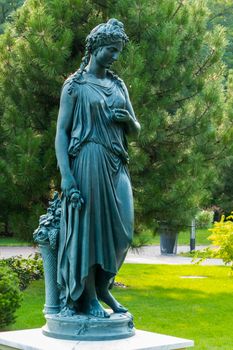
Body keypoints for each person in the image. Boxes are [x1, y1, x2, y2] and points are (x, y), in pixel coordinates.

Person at [55, 18, 140, 319]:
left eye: (118, 51)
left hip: (116, 163)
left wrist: (127, 121)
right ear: (95, 47)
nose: (115, 57)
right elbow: (62, 133)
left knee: (123, 231)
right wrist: (66, 175)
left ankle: (105, 287)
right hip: (88, 160)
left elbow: (136, 129)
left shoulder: (118, 85)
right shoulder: (75, 86)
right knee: (89, 231)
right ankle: (89, 296)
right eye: (111, 50)